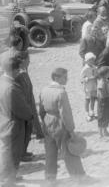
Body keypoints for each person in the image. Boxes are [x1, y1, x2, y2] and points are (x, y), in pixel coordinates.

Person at [38, 67, 90, 184]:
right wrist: (71, 131)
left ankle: (50, 180)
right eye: (65, 77)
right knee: (69, 152)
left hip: (47, 122)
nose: (67, 79)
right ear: (57, 77)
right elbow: (65, 114)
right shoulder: (61, 92)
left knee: (50, 153)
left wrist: (45, 121)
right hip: (60, 124)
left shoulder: (44, 90)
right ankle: (79, 178)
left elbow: (41, 111)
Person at [0, 52, 33, 186]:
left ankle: (9, 177)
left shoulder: (2, 82)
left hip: (4, 120)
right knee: (12, 153)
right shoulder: (11, 88)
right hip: (14, 124)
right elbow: (22, 110)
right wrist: (30, 115)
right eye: (18, 69)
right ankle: (9, 181)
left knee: (7, 150)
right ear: (13, 70)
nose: (19, 71)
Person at [96, 66, 109, 138]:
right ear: (106, 74)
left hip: (107, 99)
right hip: (103, 101)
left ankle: (105, 131)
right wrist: (106, 97)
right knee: (102, 116)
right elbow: (100, 90)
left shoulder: (106, 80)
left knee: (106, 116)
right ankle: (100, 133)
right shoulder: (102, 82)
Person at [80, 53, 98, 121]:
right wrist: (88, 78)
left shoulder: (95, 67)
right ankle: (86, 113)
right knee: (87, 100)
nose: (92, 61)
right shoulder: (84, 69)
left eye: (93, 60)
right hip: (88, 87)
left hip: (94, 86)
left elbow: (96, 75)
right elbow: (81, 79)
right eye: (90, 60)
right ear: (86, 61)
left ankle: (92, 111)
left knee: (93, 99)